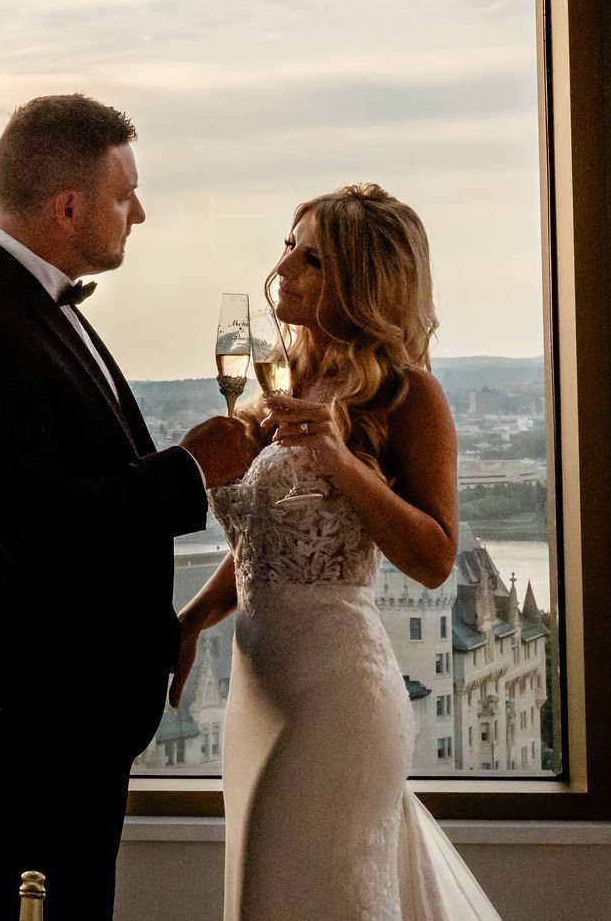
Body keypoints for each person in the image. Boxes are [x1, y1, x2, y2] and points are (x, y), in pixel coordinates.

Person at [0, 94, 259, 921]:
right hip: (28, 721)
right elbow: (45, 530)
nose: (139, 212)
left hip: (61, 715)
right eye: (124, 193)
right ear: (68, 206)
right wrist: (188, 469)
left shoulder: (28, 305)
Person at [174, 184, 502, 920]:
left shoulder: (408, 395)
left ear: (361, 280)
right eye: (288, 245)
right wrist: (192, 620)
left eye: (311, 256)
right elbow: (269, 544)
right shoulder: (281, 387)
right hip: (258, 696)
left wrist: (339, 459)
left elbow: (435, 556)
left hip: (337, 702)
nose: (282, 267)